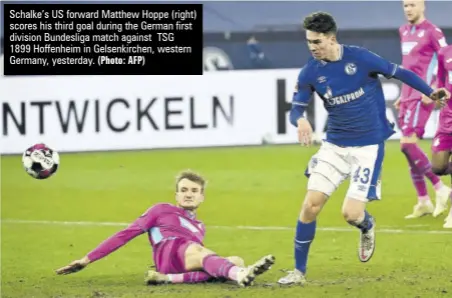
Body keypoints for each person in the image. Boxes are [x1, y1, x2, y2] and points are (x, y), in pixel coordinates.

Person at [277, 11, 450, 286]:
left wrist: (430, 92)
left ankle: (366, 224)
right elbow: (296, 107)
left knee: (351, 214)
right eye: (309, 41)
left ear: (331, 38)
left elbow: (400, 72)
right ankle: (298, 271)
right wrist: (300, 120)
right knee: (310, 206)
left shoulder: (361, 58)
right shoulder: (311, 71)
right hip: (334, 146)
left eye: (317, 42)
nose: (312, 47)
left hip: (368, 148)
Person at [56, 170, 275, 287]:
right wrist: (87, 259)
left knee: (235, 260)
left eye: (194, 190)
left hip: (180, 261)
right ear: (177, 194)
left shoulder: (200, 226)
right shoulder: (160, 210)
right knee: (204, 255)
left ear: (202, 196)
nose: (189, 194)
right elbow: (125, 235)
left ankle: (167, 279)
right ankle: (240, 276)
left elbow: (196, 255)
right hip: (168, 253)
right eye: (184, 190)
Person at [394, 0, 450, 219]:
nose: (408, 9)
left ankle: (440, 188)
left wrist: (435, 87)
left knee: (407, 144)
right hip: (408, 94)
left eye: (412, 5)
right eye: (405, 5)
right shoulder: (403, 31)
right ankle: (423, 201)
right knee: (407, 150)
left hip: (423, 95)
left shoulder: (433, 32)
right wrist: (402, 93)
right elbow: (408, 65)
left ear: (423, 6)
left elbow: (446, 59)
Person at [431, 44, 452, 228]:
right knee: (438, 167)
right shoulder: (445, 53)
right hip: (446, 119)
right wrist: (439, 93)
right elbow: (440, 80)